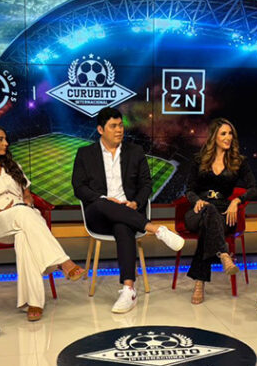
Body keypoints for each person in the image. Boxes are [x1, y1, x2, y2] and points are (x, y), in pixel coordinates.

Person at [0, 123, 86, 321]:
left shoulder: (13, 167)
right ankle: (63, 261)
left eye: (5, 139)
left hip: (23, 218)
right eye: (1, 140)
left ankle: (34, 303)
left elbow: (26, 192)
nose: (6, 143)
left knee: (23, 235)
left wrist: (27, 201)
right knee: (22, 213)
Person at [71, 107, 186, 313]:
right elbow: (79, 187)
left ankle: (128, 290)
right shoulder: (85, 154)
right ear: (100, 129)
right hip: (98, 214)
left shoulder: (135, 151)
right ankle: (156, 229)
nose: (119, 130)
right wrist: (104, 200)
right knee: (103, 202)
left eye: (121, 125)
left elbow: (146, 185)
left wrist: (135, 203)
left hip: (129, 212)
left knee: (122, 225)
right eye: (113, 126)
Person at [183, 118, 257, 304]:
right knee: (207, 211)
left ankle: (199, 283)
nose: (228, 137)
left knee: (208, 225)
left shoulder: (239, 162)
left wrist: (237, 201)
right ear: (214, 137)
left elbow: (253, 188)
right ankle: (224, 254)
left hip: (224, 212)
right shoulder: (199, 160)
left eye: (230, 133)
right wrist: (197, 200)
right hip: (198, 211)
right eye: (223, 133)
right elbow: (189, 190)